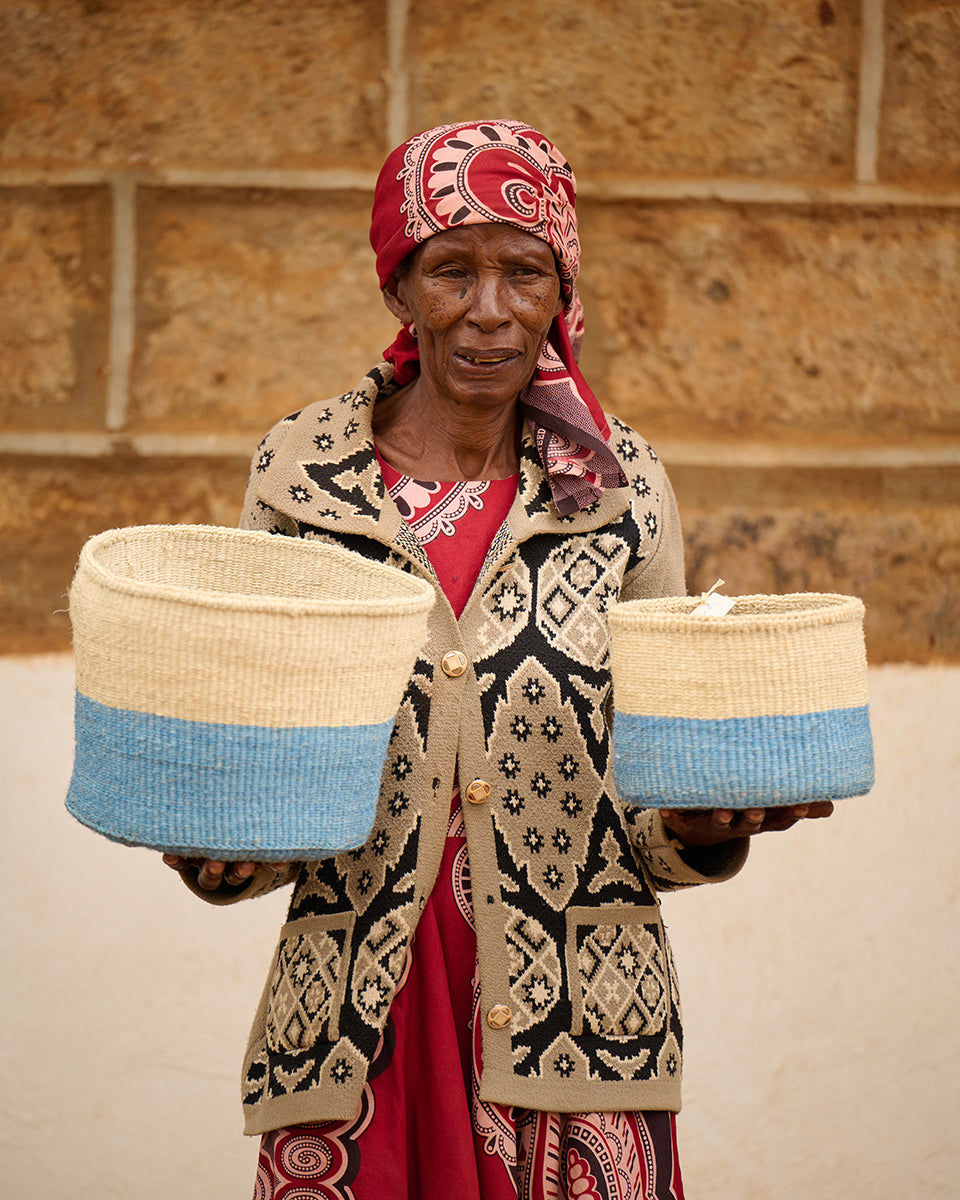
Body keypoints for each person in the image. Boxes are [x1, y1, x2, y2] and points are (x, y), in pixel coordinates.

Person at [164, 120, 833, 1200]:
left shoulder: (619, 485)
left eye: (524, 273)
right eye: (451, 271)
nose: (489, 309)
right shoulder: (304, 477)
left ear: (560, 292)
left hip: (581, 1026)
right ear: (399, 288)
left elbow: (655, 782)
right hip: (362, 1028)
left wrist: (703, 831)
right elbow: (268, 760)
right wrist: (228, 852)